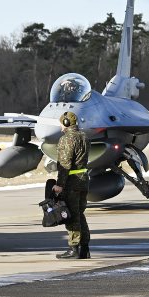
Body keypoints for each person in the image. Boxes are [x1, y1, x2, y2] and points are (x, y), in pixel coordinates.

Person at [51, 111, 90, 259]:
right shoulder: (84, 137)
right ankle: (84, 249)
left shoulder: (67, 139)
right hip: (83, 179)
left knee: (71, 216)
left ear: (66, 123)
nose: (60, 125)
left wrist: (59, 184)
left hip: (71, 182)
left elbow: (65, 164)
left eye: (61, 122)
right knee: (80, 214)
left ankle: (73, 249)